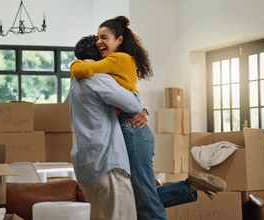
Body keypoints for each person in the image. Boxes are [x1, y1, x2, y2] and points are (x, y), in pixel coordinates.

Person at [70, 16, 227, 220]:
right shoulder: (106, 69)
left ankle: (187, 188)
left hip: (132, 129)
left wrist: (77, 65)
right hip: (127, 128)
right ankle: (188, 188)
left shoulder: (113, 63)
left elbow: (128, 99)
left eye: (104, 37)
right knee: (140, 196)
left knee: (143, 199)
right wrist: (142, 109)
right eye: (98, 39)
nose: (100, 42)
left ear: (119, 40)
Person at [68, 34, 142, 220]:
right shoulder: (98, 78)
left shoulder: (75, 82)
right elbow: (134, 106)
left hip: (86, 165)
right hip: (107, 162)